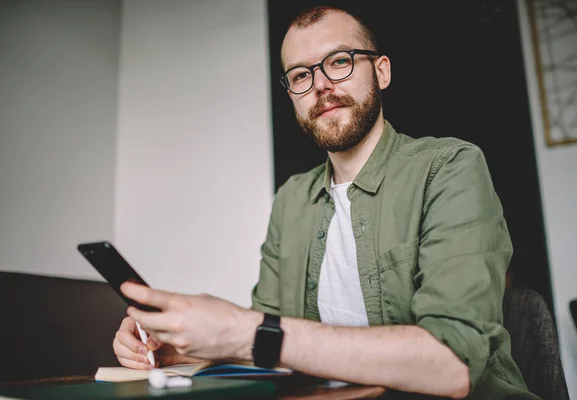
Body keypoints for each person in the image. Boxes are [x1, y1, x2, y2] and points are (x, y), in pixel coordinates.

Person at [113, 5, 540, 399]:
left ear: (382, 71)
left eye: (339, 61)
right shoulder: (291, 200)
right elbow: (266, 342)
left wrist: (242, 331)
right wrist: (186, 348)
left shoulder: (449, 167)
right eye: (300, 75)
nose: (320, 85)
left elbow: (453, 365)